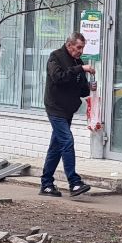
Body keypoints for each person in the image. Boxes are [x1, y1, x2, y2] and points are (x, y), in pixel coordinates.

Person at [40, 32, 95, 198]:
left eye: (82, 48)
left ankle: (46, 184)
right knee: (67, 141)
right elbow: (58, 77)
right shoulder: (55, 57)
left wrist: (89, 87)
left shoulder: (78, 62)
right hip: (55, 107)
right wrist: (80, 69)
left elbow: (82, 89)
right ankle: (74, 182)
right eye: (78, 47)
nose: (81, 51)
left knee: (56, 147)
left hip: (68, 109)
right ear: (69, 45)